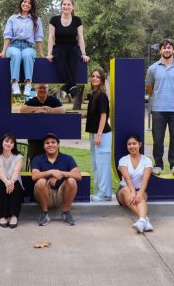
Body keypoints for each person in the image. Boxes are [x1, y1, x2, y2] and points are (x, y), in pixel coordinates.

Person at [146, 38, 174, 177]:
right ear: (160, 51)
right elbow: (149, 87)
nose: (167, 50)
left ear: (173, 50)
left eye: (169, 47)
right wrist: (158, 96)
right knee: (158, 138)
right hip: (158, 109)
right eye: (164, 48)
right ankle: (158, 165)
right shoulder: (152, 68)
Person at [0, 0, 44, 96]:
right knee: (16, 54)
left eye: (29, 3)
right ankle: (14, 83)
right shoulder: (12, 18)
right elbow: (7, 36)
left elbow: (39, 37)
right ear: (21, 3)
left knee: (27, 55)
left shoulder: (36, 19)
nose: (26, 4)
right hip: (14, 45)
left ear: (32, 6)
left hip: (28, 46)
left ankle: (28, 84)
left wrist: (41, 53)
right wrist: (3, 51)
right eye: (24, 2)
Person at [31, 133, 82, 226]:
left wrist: (61, 173)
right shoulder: (38, 159)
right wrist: (51, 172)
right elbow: (34, 176)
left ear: (58, 144)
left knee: (72, 181)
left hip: (61, 195)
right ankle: (44, 214)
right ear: (44, 146)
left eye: (53, 142)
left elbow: (78, 175)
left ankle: (66, 212)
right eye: (47, 143)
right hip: (45, 194)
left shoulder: (67, 158)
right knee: (41, 182)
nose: (50, 145)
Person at [46, 0, 90, 97]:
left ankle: (68, 86)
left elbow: (80, 38)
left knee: (75, 54)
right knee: (60, 55)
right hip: (59, 47)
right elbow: (51, 37)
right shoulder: (54, 20)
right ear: (61, 6)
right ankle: (72, 86)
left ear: (72, 7)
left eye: (68, 4)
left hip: (73, 47)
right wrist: (49, 53)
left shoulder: (77, 20)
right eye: (64, 4)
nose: (66, 6)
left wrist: (84, 54)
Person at [117, 134, 154, 233]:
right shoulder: (123, 160)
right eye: (129, 144)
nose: (131, 146)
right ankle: (145, 219)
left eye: (134, 143)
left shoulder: (147, 161)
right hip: (124, 190)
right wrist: (133, 192)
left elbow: (145, 180)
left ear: (140, 144)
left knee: (140, 197)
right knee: (126, 190)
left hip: (140, 189)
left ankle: (142, 220)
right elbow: (127, 178)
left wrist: (139, 193)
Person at [20, 83, 65, 165]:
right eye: (40, 88)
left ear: (48, 89)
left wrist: (49, 111)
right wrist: (41, 108)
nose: (42, 90)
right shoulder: (32, 100)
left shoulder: (53, 100)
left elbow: (62, 110)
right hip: (34, 139)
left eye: (44, 88)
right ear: (36, 89)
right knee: (35, 163)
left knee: (53, 162)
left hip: (51, 138)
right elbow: (22, 109)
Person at [85, 68, 113, 202]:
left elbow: (103, 116)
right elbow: (94, 114)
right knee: (96, 165)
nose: (95, 78)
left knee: (103, 165)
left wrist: (99, 135)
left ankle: (105, 194)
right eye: (93, 76)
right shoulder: (93, 94)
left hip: (102, 134)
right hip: (94, 133)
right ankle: (99, 192)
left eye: (98, 77)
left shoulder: (102, 95)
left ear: (101, 79)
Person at [0, 133, 25, 228]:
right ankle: (2, 216)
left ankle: (14, 216)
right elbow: (0, 171)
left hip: (14, 184)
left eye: (11, 142)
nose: (8, 144)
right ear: (2, 142)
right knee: (1, 184)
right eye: (6, 141)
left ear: (14, 145)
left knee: (16, 184)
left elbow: (16, 171)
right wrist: (7, 182)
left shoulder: (19, 157)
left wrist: (11, 182)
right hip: (1, 185)